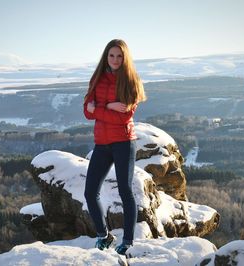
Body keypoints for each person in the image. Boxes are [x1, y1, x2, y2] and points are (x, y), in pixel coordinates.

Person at [83, 39, 146, 255]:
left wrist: (98, 108)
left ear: (125, 57)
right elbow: (86, 110)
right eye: (112, 55)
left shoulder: (131, 81)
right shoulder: (97, 78)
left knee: (125, 190)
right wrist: (108, 106)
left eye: (119, 56)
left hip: (123, 142)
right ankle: (104, 235)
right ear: (106, 56)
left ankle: (127, 241)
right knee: (90, 192)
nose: (115, 60)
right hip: (102, 143)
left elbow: (124, 117)